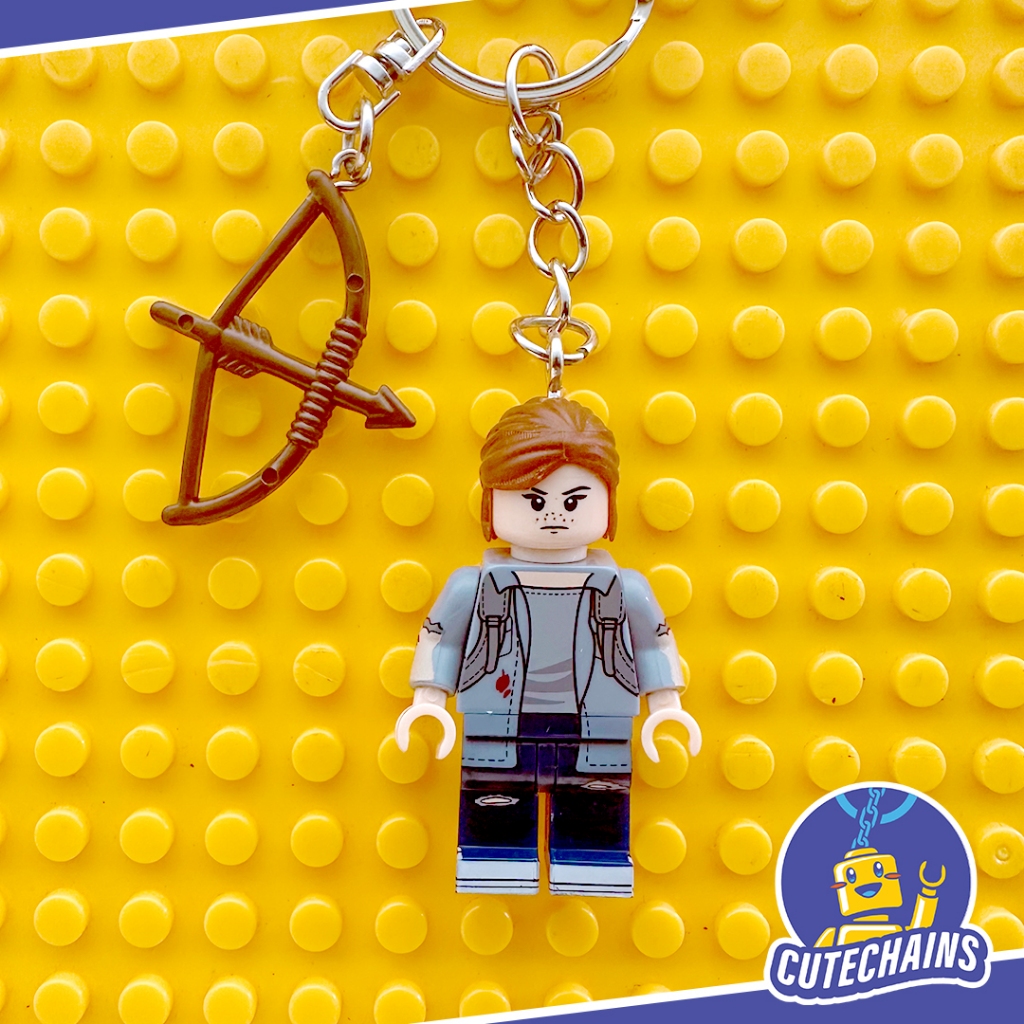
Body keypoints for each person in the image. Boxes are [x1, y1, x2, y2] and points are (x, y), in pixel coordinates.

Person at [395, 397, 701, 897]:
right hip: (498, 717)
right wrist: (429, 699)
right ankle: (494, 863)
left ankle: (591, 865)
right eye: (534, 501)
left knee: (595, 800)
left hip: (598, 722)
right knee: (495, 798)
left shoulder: (624, 588)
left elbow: (651, 647)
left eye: (574, 501)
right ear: (493, 502)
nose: (554, 515)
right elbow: (442, 640)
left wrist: (666, 705)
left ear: (607, 502)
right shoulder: (475, 585)